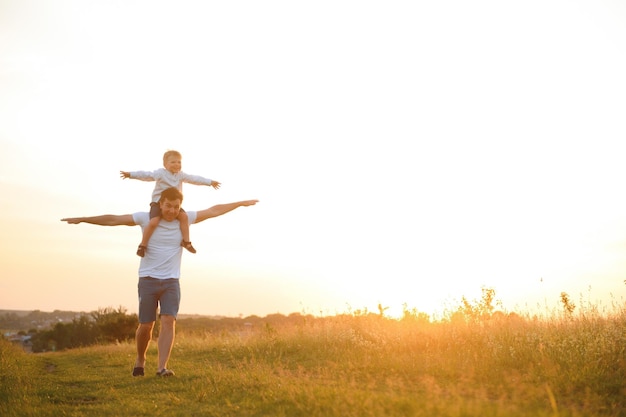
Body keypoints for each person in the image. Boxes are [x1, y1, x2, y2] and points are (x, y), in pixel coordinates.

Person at [61, 187, 258, 377]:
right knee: (146, 325)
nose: (172, 210)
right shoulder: (145, 218)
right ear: (160, 204)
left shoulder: (185, 219)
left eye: (176, 206)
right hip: (148, 280)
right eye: (168, 206)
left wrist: (240, 203)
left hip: (171, 281)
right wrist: (84, 219)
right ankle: (140, 359)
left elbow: (214, 210)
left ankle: (162, 368)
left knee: (168, 321)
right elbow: (114, 219)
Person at [120, 149, 221, 257]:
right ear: (165, 164)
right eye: (173, 162)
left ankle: (186, 242)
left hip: (174, 205)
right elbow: (146, 175)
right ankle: (143, 245)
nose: (176, 164)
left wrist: (209, 182)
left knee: (184, 217)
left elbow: (194, 179)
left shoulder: (181, 175)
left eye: (179, 162)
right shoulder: (160, 173)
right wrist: (130, 174)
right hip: (158, 203)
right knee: (154, 222)